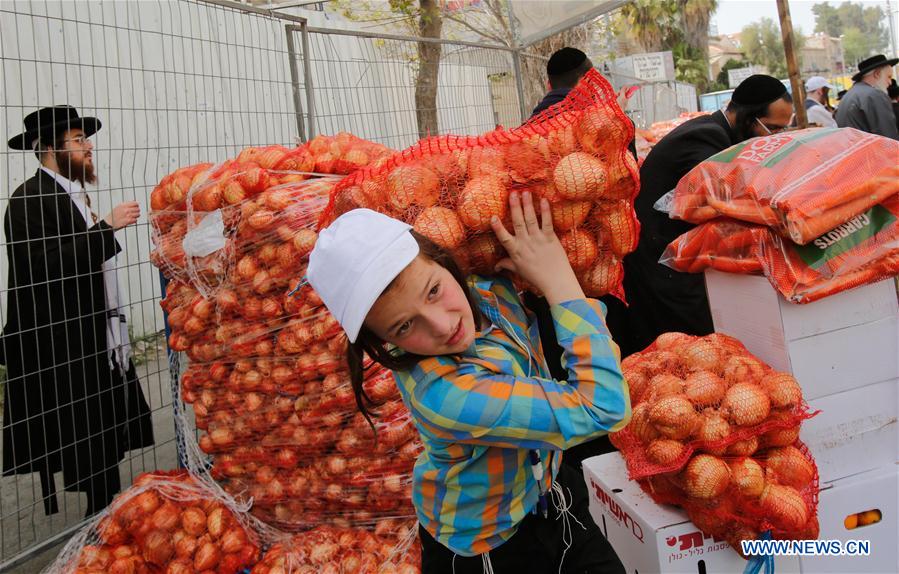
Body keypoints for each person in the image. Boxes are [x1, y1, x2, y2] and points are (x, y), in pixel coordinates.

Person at [307, 193, 630, 573]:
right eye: (405, 325)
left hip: (552, 496)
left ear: (443, 260)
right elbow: (604, 407)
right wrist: (560, 280)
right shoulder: (445, 394)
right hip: (491, 549)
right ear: (383, 342)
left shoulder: (485, 290)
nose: (443, 326)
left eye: (433, 290)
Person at [3, 106, 154, 516]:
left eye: (86, 139)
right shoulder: (26, 202)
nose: (89, 148)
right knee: (84, 434)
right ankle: (99, 517)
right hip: (62, 343)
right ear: (49, 148)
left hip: (95, 335)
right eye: (78, 141)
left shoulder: (74, 195)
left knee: (102, 432)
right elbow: (43, 268)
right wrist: (105, 229)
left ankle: (106, 511)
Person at [621, 75, 794, 356]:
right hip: (660, 260)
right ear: (748, 117)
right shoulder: (706, 138)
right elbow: (722, 200)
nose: (774, 139)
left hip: (675, 255)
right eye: (772, 129)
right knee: (689, 346)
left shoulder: (716, 132)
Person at [526, 47, 636, 469]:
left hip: (552, 268)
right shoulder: (604, 127)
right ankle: (609, 441)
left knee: (567, 356)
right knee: (604, 351)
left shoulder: (529, 130)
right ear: (589, 77)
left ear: (550, 84)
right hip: (599, 267)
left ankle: (581, 453)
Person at [835, 54, 899, 140]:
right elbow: (888, 138)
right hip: (870, 151)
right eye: (889, 77)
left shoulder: (850, 94)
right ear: (877, 74)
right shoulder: (875, 96)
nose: (890, 82)